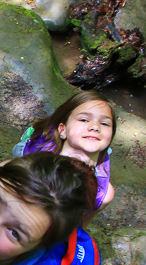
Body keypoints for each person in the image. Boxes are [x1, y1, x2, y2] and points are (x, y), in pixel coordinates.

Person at [14, 91, 116, 226]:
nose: (95, 127)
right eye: (84, 120)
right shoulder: (34, 162)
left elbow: (79, 227)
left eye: (105, 123)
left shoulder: (103, 194)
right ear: (63, 130)